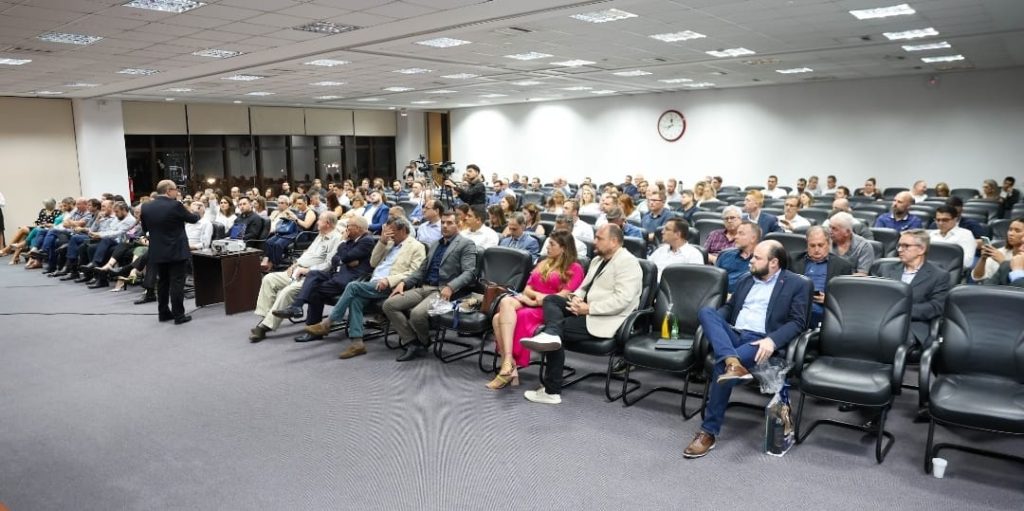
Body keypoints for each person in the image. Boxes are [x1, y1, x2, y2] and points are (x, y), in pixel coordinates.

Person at [684, 240, 810, 459]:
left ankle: (708, 433)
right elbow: (730, 309)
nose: (751, 261)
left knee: (721, 367)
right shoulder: (746, 280)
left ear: (774, 263)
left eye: (756, 258)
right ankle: (733, 361)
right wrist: (718, 324)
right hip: (734, 334)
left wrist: (772, 340)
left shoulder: (796, 284)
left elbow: (798, 322)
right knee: (707, 312)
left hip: (760, 342)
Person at [519, 224, 642, 405]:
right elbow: (583, 288)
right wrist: (576, 299)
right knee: (551, 300)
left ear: (614, 241)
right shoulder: (597, 261)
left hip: (605, 318)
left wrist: (589, 308)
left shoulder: (628, 263)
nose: (594, 242)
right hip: (585, 309)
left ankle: (552, 391)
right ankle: (551, 334)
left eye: (599, 238)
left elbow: (622, 300)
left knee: (556, 331)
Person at [303, 218, 427, 358]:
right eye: (385, 230)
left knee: (353, 286)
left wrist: (388, 280)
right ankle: (357, 343)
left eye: (390, 230)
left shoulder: (416, 246)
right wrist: (382, 242)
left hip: (392, 285)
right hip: (373, 282)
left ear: (403, 230)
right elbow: (373, 263)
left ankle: (328, 323)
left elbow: (414, 272)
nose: (387, 233)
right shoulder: (389, 243)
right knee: (355, 300)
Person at [488, 231, 584, 389]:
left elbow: (562, 297)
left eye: (552, 244)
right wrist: (534, 298)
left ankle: (509, 368)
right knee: (505, 302)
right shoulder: (543, 262)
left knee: (498, 319)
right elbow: (527, 289)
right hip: (531, 301)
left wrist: (537, 301)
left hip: (549, 309)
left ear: (564, 248)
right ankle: (508, 362)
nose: (547, 247)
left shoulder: (575, 268)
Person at [383, 210, 478, 361]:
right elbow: (421, 270)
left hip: (442, 290)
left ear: (458, 224)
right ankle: (413, 342)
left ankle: (423, 341)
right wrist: (404, 283)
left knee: (417, 314)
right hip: (424, 287)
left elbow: (469, 273)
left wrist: (451, 287)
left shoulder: (466, 244)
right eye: (443, 223)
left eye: (449, 223)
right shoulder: (435, 244)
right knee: (389, 304)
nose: (445, 226)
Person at [272, 216, 375, 341]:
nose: (346, 229)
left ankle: (311, 328)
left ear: (358, 228)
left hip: (349, 279)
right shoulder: (351, 240)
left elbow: (346, 256)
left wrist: (343, 246)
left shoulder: (366, 240)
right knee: (313, 274)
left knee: (314, 291)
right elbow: (336, 259)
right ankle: (297, 307)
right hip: (337, 273)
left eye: (349, 226)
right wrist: (345, 259)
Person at [249, 212, 343, 342]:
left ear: (328, 224)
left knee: (288, 291)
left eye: (320, 220)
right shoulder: (320, 235)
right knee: (269, 279)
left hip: (311, 277)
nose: (317, 222)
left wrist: (307, 270)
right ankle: (265, 319)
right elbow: (307, 254)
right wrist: (295, 264)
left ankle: (264, 327)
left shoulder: (336, 239)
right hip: (297, 270)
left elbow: (328, 264)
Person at [873, 229, 950, 348]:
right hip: (879, 320)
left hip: (912, 325)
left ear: (921, 249)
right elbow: (874, 297)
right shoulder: (885, 269)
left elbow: (936, 307)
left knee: (890, 338)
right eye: (899, 245)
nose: (899, 250)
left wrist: (902, 311)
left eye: (906, 246)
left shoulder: (939, 276)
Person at [141, 180, 200, 325]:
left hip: (157, 251)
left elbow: (144, 228)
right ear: (168, 190)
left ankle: (163, 313)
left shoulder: (146, 206)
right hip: (176, 251)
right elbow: (192, 219)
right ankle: (179, 315)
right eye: (175, 190)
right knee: (177, 283)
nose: (177, 192)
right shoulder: (175, 205)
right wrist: (197, 212)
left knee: (163, 282)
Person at [790, 226, 853, 328]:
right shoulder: (792, 260)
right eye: (812, 245)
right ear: (807, 244)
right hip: (794, 303)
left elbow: (846, 298)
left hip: (820, 308)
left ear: (828, 244)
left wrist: (828, 299)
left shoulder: (842, 266)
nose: (816, 250)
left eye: (820, 245)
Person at [973, 217, 1023, 282]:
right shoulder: (1000, 251)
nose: (1011, 234)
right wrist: (983, 259)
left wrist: (1002, 261)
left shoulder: (999, 255)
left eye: (1017, 231)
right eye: (1010, 229)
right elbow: (977, 277)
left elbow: (1018, 284)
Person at [716, 221, 760, 293]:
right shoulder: (725, 254)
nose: (736, 236)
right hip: (720, 296)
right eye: (736, 233)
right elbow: (715, 279)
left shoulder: (761, 260)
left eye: (741, 233)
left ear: (753, 238)